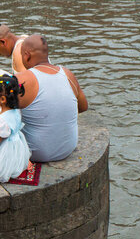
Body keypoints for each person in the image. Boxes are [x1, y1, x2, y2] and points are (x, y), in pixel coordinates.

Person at [16, 34, 88, 162]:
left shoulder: (22, 79)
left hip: (35, 153)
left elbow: (0, 113)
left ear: (26, 55)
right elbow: (83, 107)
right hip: (67, 148)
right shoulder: (67, 74)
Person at [0, 74, 31, 182]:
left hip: (4, 155)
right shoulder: (16, 111)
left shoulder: (1, 121)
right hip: (16, 149)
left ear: (2, 99)